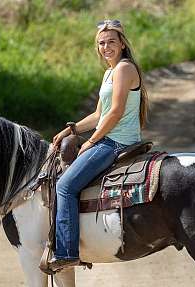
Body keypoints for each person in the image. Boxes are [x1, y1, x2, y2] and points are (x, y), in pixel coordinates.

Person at [45, 19, 149, 272]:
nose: (106, 47)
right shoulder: (109, 73)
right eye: (101, 43)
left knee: (65, 185)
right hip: (109, 136)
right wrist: (70, 130)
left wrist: (90, 142)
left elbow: (115, 113)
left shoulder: (124, 69)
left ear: (122, 44)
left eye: (111, 41)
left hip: (116, 141)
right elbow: (98, 115)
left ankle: (67, 252)